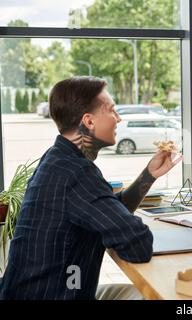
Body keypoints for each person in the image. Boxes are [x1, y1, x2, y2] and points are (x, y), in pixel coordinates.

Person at [0, 76, 181, 300]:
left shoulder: (57, 159)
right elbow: (137, 246)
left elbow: (108, 210)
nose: (119, 118)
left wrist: (149, 175)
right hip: (56, 295)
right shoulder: (76, 173)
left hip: (33, 292)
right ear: (89, 121)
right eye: (113, 111)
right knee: (165, 296)